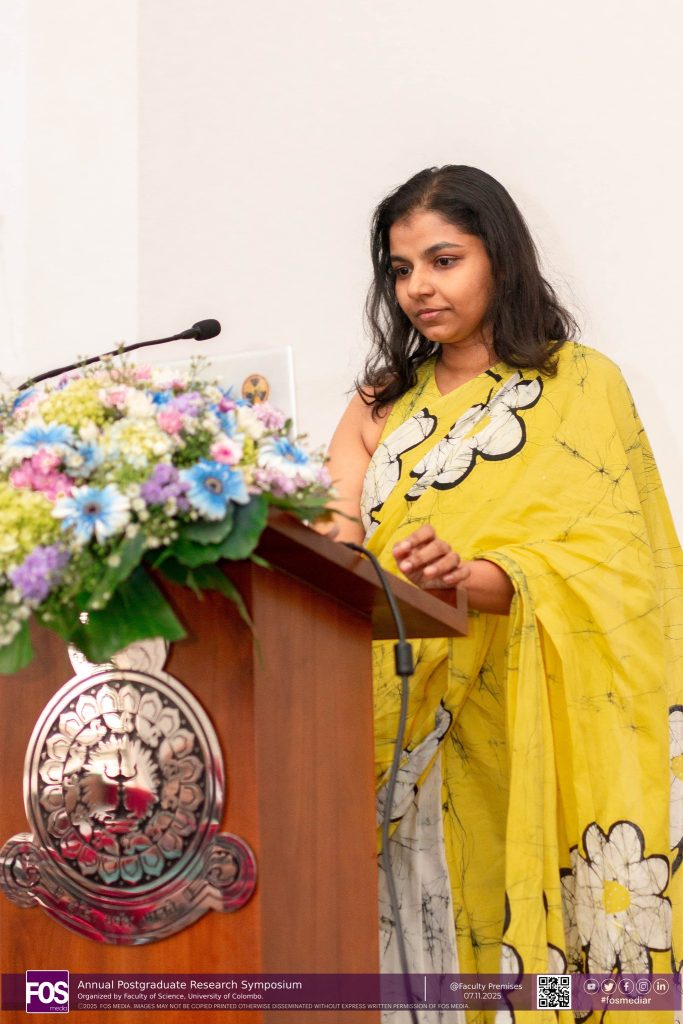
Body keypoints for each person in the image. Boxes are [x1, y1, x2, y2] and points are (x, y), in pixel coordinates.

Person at [325, 165, 683, 1023]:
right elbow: (334, 537)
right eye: (401, 270)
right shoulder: (380, 403)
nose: (419, 288)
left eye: (443, 260)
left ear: (501, 258)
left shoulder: (580, 385)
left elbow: (617, 568)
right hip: (394, 728)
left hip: (524, 722)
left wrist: (475, 576)